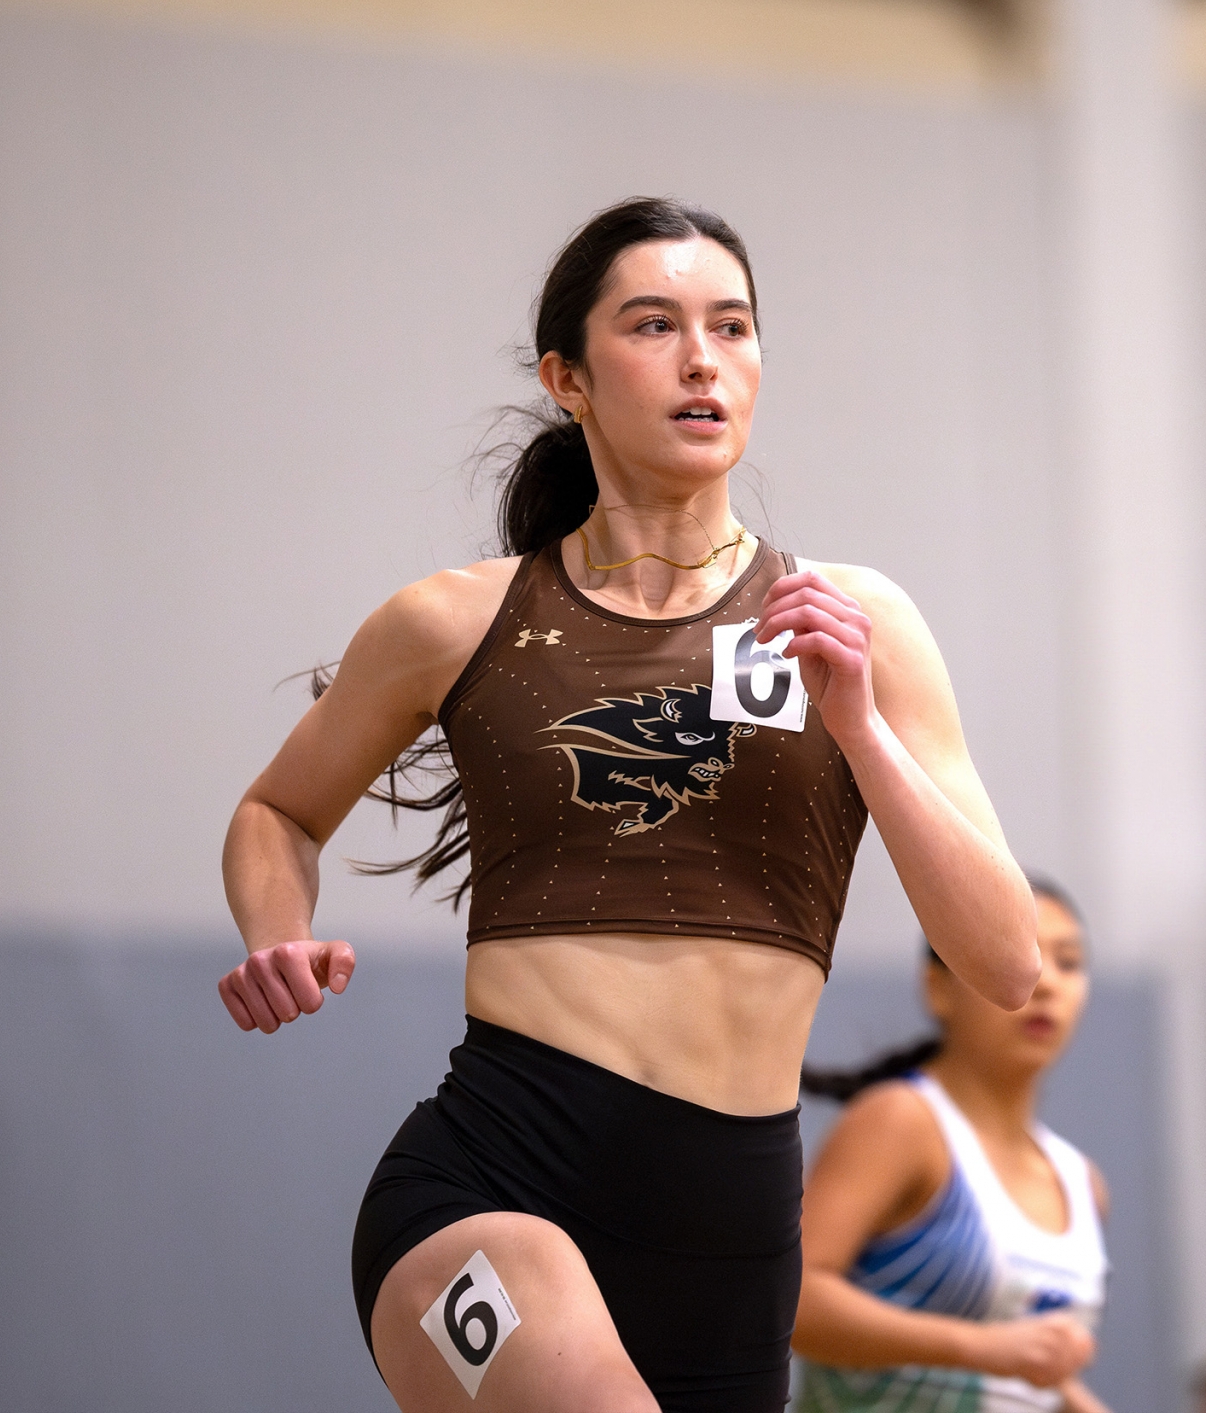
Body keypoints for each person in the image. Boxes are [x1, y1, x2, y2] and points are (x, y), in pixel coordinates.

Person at [214, 196, 1040, 1413]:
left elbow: (1007, 964)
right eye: (654, 325)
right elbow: (277, 814)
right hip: (491, 1189)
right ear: (569, 380)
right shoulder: (452, 620)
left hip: (734, 1250)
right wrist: (276, 932)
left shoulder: (857, 623)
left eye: (731, 327)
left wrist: (858, 725)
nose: (702, 358)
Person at [794, 877, 1111, 1413]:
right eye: (1016, 958)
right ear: (938, 988)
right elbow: (793, 1299)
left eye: (1069, 962)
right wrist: (979, 1348)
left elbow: (1017, 1370)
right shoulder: (900, 1121)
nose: (1047, 983)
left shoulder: (1083, 1182)